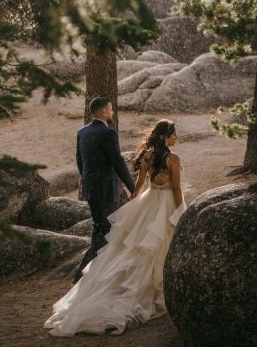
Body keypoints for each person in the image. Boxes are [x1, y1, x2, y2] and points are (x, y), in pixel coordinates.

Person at [44, 119, 186, 337]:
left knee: (136, 250)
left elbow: (139, 187)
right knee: (158, 248)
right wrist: (182, 214)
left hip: (149, 202)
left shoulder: (148, 156)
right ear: (167, 136)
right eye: (174, 134)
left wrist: (134, 203)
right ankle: (156, 293)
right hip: (165, 205)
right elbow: (176, 190)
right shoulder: (173, 159)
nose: (176, 138)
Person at [72, 96, 135, 283]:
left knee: (99, 228)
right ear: (104, 112)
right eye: (111, 109)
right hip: (106, 191)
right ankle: (82, 274)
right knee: (107, 230)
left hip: (91, 189)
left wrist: (88, 182)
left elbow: (80, 162)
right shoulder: (108, 133)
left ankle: (91, 275)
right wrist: (132, 187)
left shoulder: (82, 132)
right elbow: (118, 162)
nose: (113, 112)